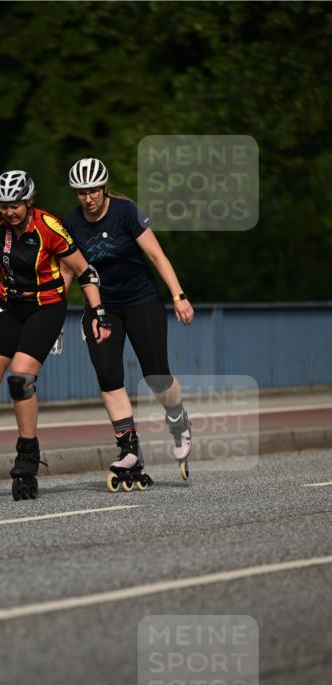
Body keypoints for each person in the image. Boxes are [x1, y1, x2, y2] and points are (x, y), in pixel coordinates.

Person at [0, 169, 111, 500]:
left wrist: (98, 313)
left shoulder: (49, 228)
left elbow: (86, 271)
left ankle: (27, 456)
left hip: (46, 307)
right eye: (4, 206)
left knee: (19, 381)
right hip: (8, 304)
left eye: (15, 205)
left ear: (29, 201)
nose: (9, 212)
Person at [61, 157, 195, 488]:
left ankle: (177, 418)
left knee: (157, 376)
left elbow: (156, 256)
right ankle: (129, 448)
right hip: (101, 308)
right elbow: (66, 272)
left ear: (104, 189)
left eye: (93, 190)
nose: (88, 198)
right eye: (81, 192)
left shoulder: (126, 213)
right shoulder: (71, 224)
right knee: (108, 375)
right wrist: (53, 317)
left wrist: (178, 296)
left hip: (141, 301)